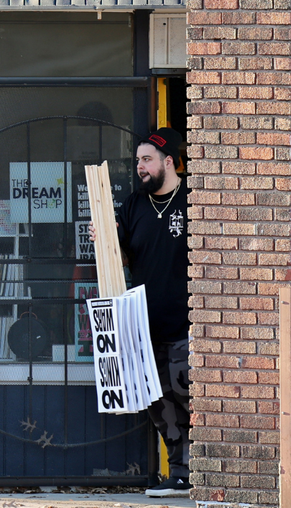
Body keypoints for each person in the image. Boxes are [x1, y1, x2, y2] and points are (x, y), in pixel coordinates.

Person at [89, 127, 191, 497]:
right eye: (137, 161)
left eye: (146, 160)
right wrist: (106, 242)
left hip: (188, 324)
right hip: (143, 325)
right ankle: (180, 474)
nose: (140, 168)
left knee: (188, 393)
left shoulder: (194, 201)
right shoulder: (133, 205)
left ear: (168, 162)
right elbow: (126, 259)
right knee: (158, 400)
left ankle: (210, 470)